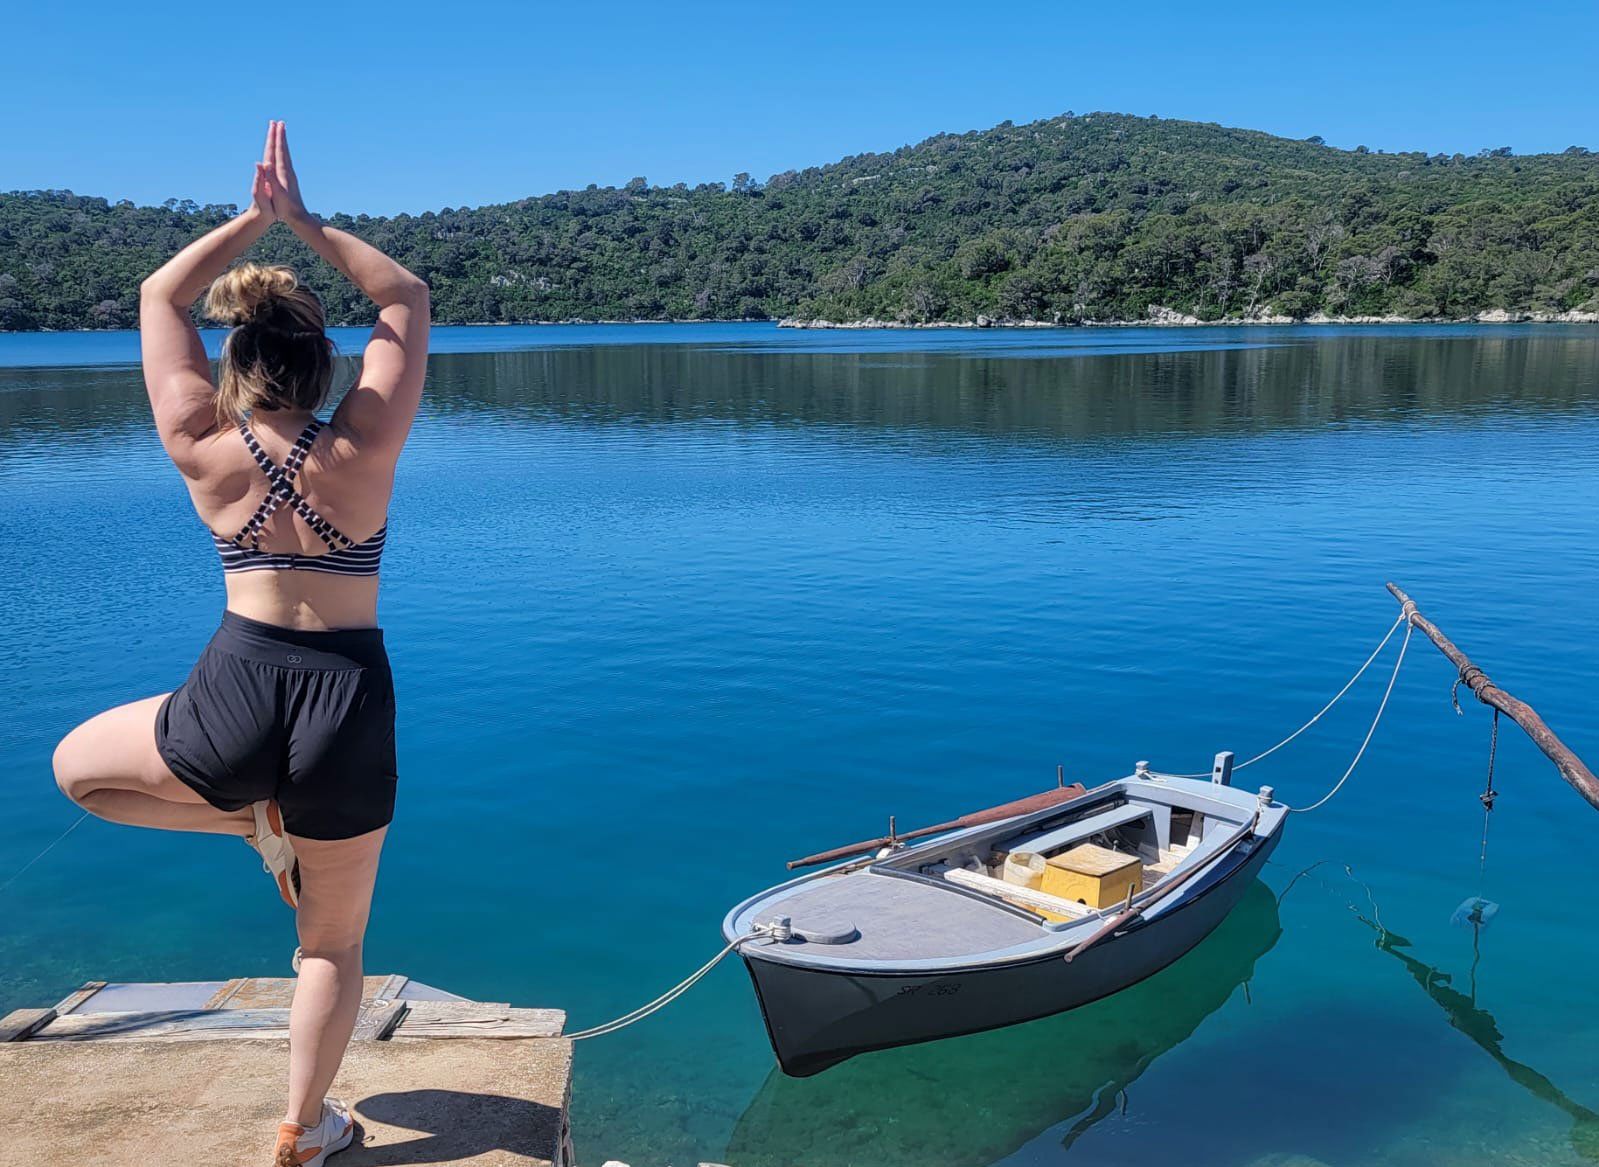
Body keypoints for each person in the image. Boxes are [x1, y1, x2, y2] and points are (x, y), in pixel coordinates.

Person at [52, 121, 429, 1167]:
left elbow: (158, 298)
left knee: (79, 771)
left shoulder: (198, 440)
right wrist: (305, 222)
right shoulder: (364, 441)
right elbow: (403, 296)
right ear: (322, 359)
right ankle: (306, 1131)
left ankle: (251, 827)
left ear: (236, 354)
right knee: (331, 944)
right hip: (347, 700)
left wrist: (251, 223)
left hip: (236, 683)